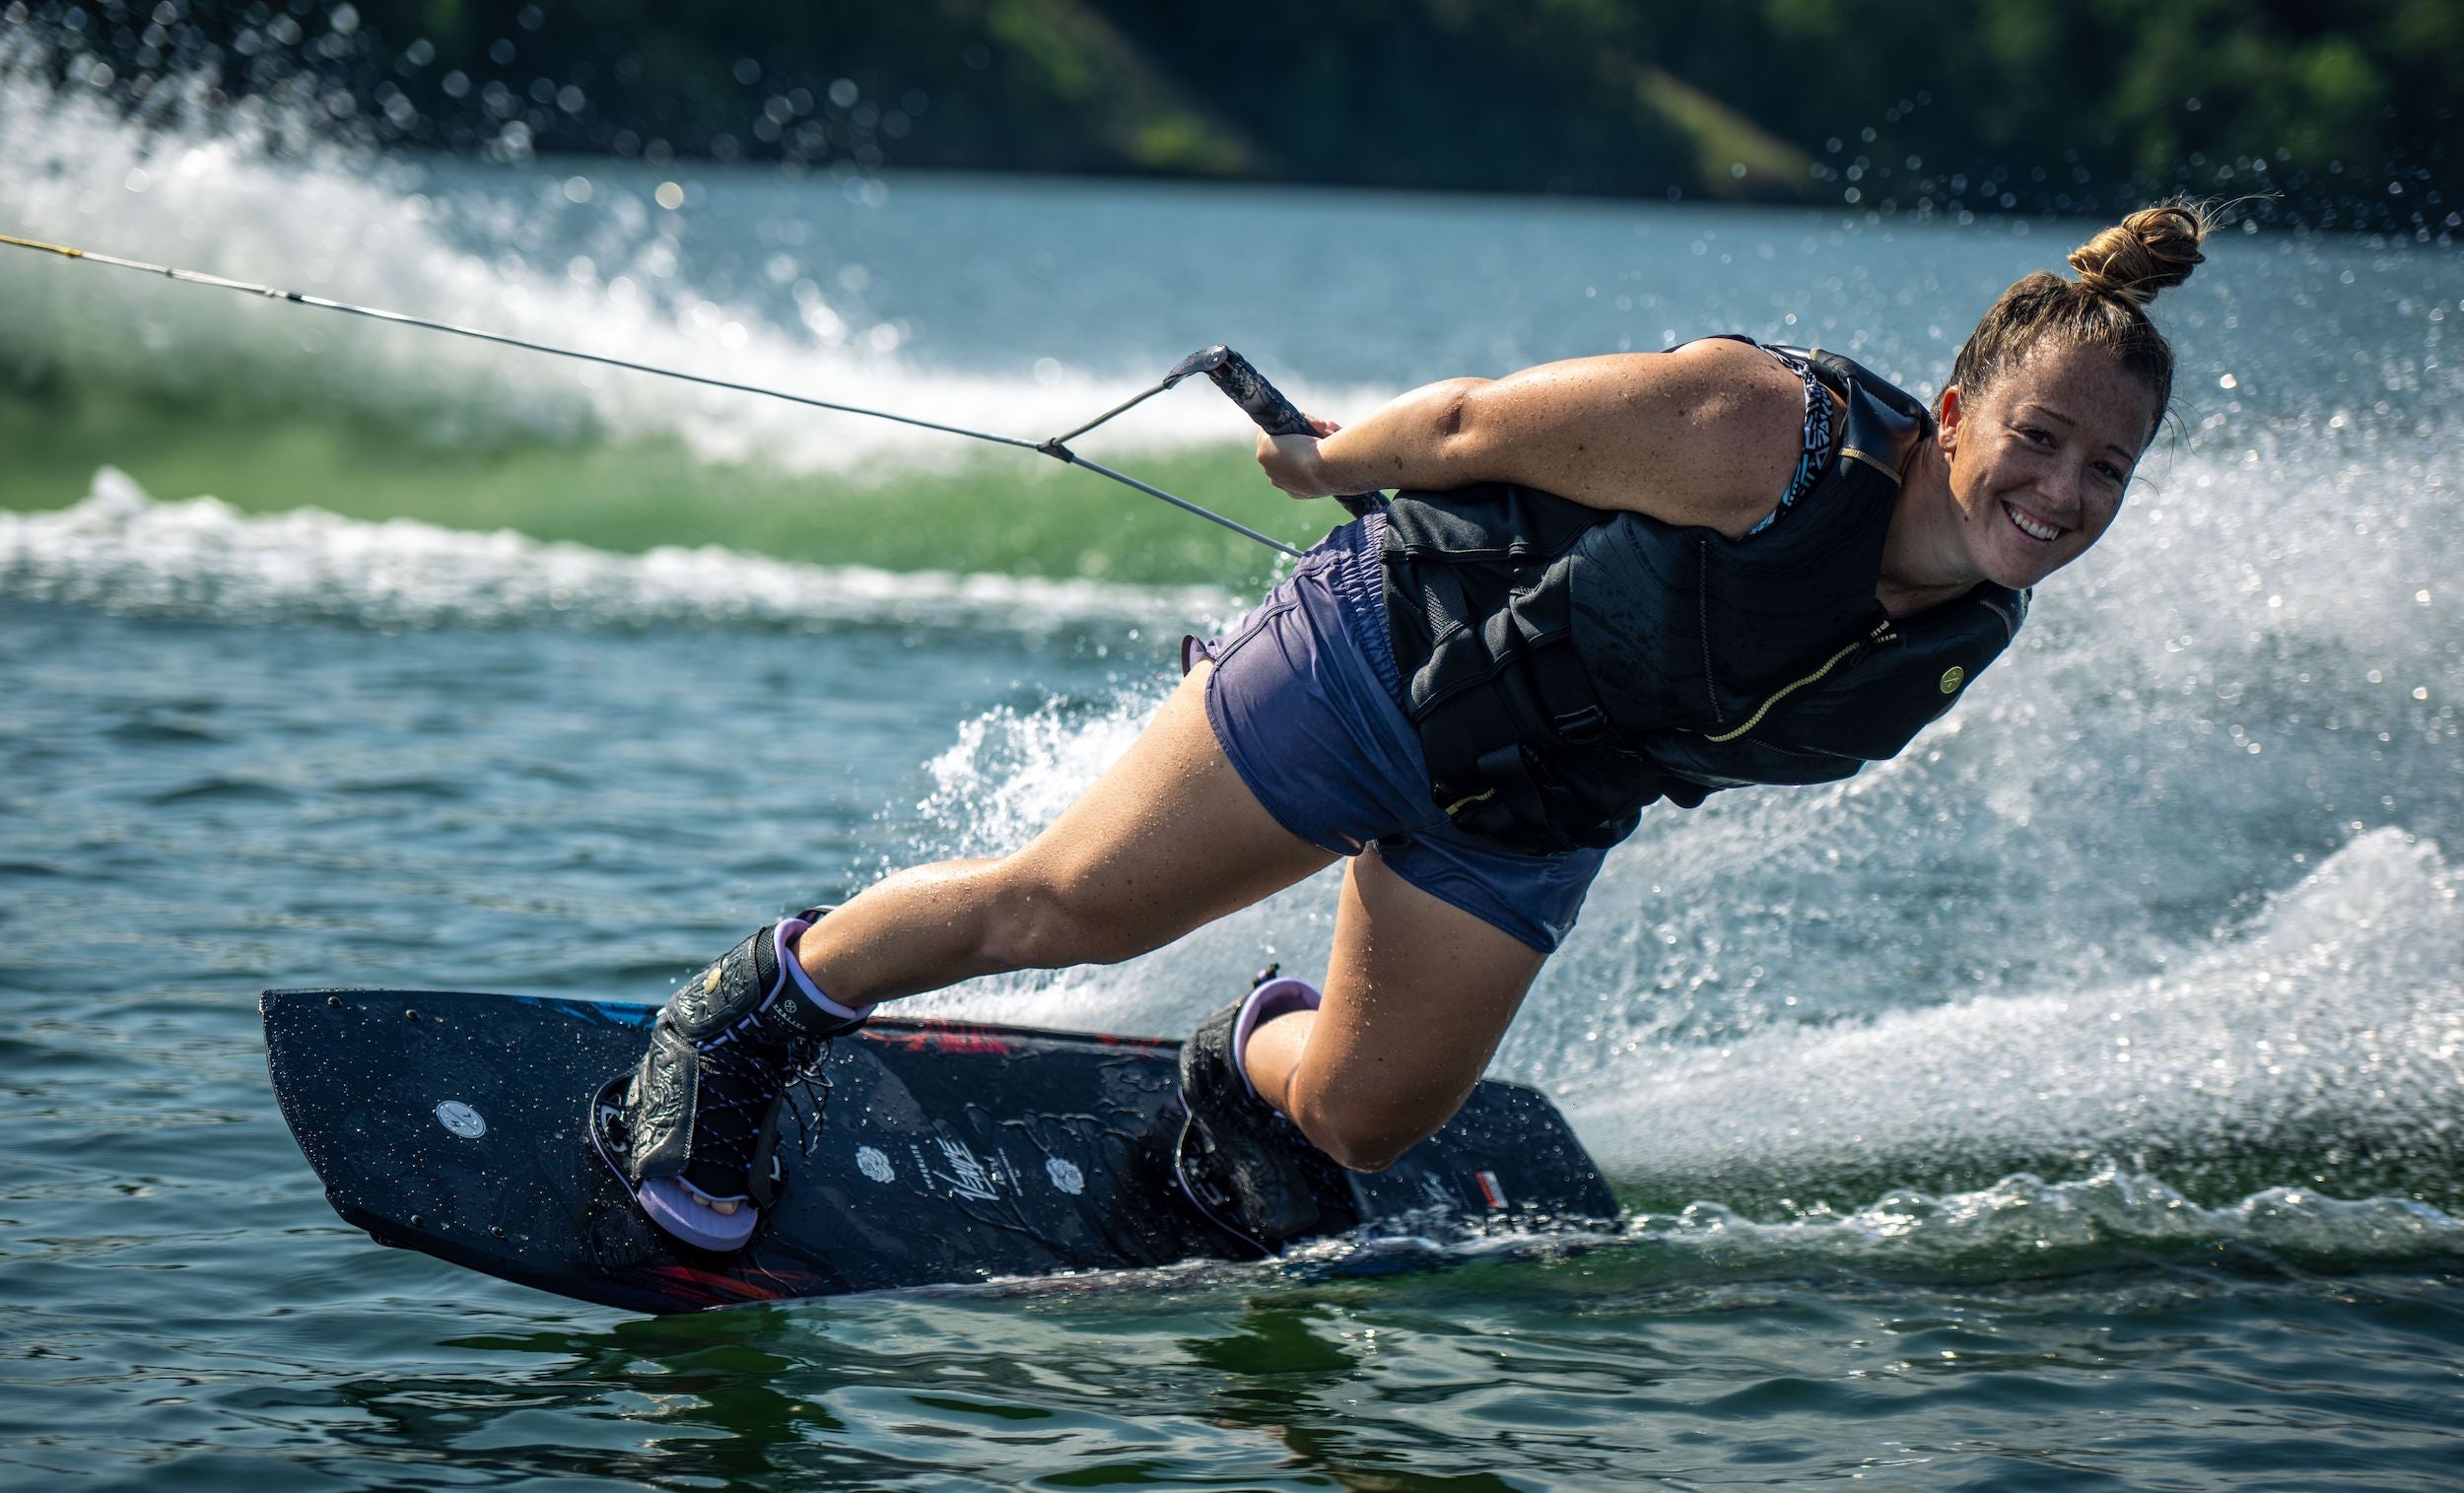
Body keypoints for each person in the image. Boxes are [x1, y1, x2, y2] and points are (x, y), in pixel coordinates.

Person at [593, 202, 2215, 1255]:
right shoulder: (1762, 431)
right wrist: (1321, 466)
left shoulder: (1970, 629)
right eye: (2040, 439)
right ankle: (752, 1015)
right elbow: (1467, 426)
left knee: (1368, 1117)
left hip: (1535, 800)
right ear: (1954, 416)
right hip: (1392, 658)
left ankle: (1234, 1071)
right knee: (1069, 906)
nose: (2063, 493)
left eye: (2106, 474)